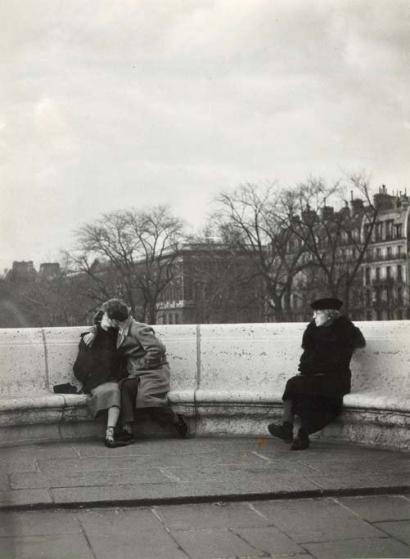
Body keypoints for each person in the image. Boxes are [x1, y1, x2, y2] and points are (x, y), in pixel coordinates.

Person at [268, 297, 365, 450]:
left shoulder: (344, 330)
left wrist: (315, 369)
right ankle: (287, 426)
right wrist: (309, 369)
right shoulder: (313, 331)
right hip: (315, 377)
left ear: (330, 314)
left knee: (312, 394)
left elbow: (338, 360)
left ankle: (303, 434)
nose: (314, 316)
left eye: (317, 313)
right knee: (294, 384)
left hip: (336, 378)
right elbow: (306, 358)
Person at [100, 298, 188, 440]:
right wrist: (94, 330)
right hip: (140, 375)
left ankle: (176, 420)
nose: (107, 320)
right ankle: (127, 429)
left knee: (148, 401)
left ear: (115, 319)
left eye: (108, 317)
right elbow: (99, 322)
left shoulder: (138, 329)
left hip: (154, 373)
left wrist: (140, 365)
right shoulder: (122, 329)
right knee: (124, 387)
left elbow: (157, 349)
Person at [73, 310, 128, 448]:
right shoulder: (90, 337)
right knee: (114, 391)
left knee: (122, 389)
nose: (113, 323)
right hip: (97, 381)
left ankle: (121, 431)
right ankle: (110, 434)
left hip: (114, 379)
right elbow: (79, 367)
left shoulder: (117, 337)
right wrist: (91, 377)